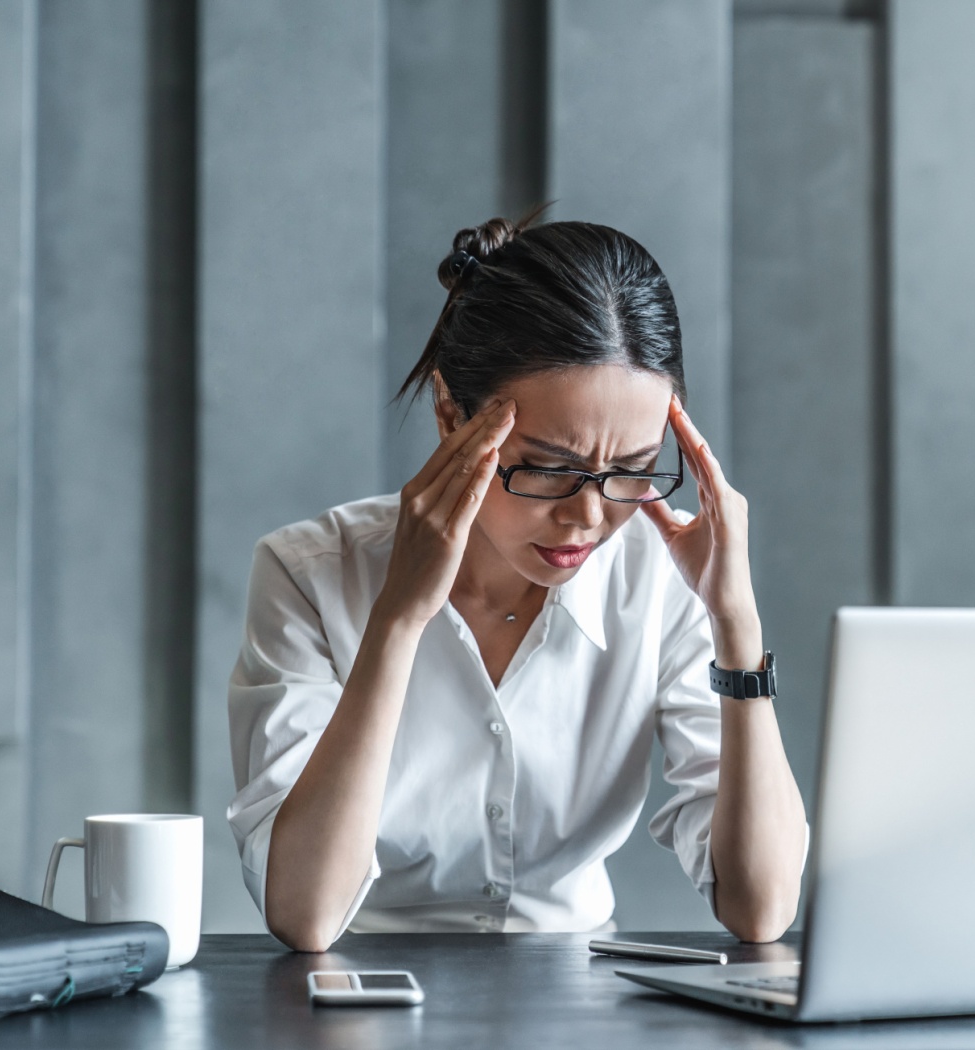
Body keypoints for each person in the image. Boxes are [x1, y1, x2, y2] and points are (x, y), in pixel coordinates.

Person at [226, 213, 808, 952]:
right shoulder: (307, 574)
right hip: (364, 993)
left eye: (631, 470)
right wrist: (399, 620)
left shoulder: (663, 583)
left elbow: (762, 908)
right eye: (550, 467)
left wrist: (737, 625)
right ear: (450, 416)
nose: (588, 515)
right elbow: (304, 916)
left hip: (584, 1006)